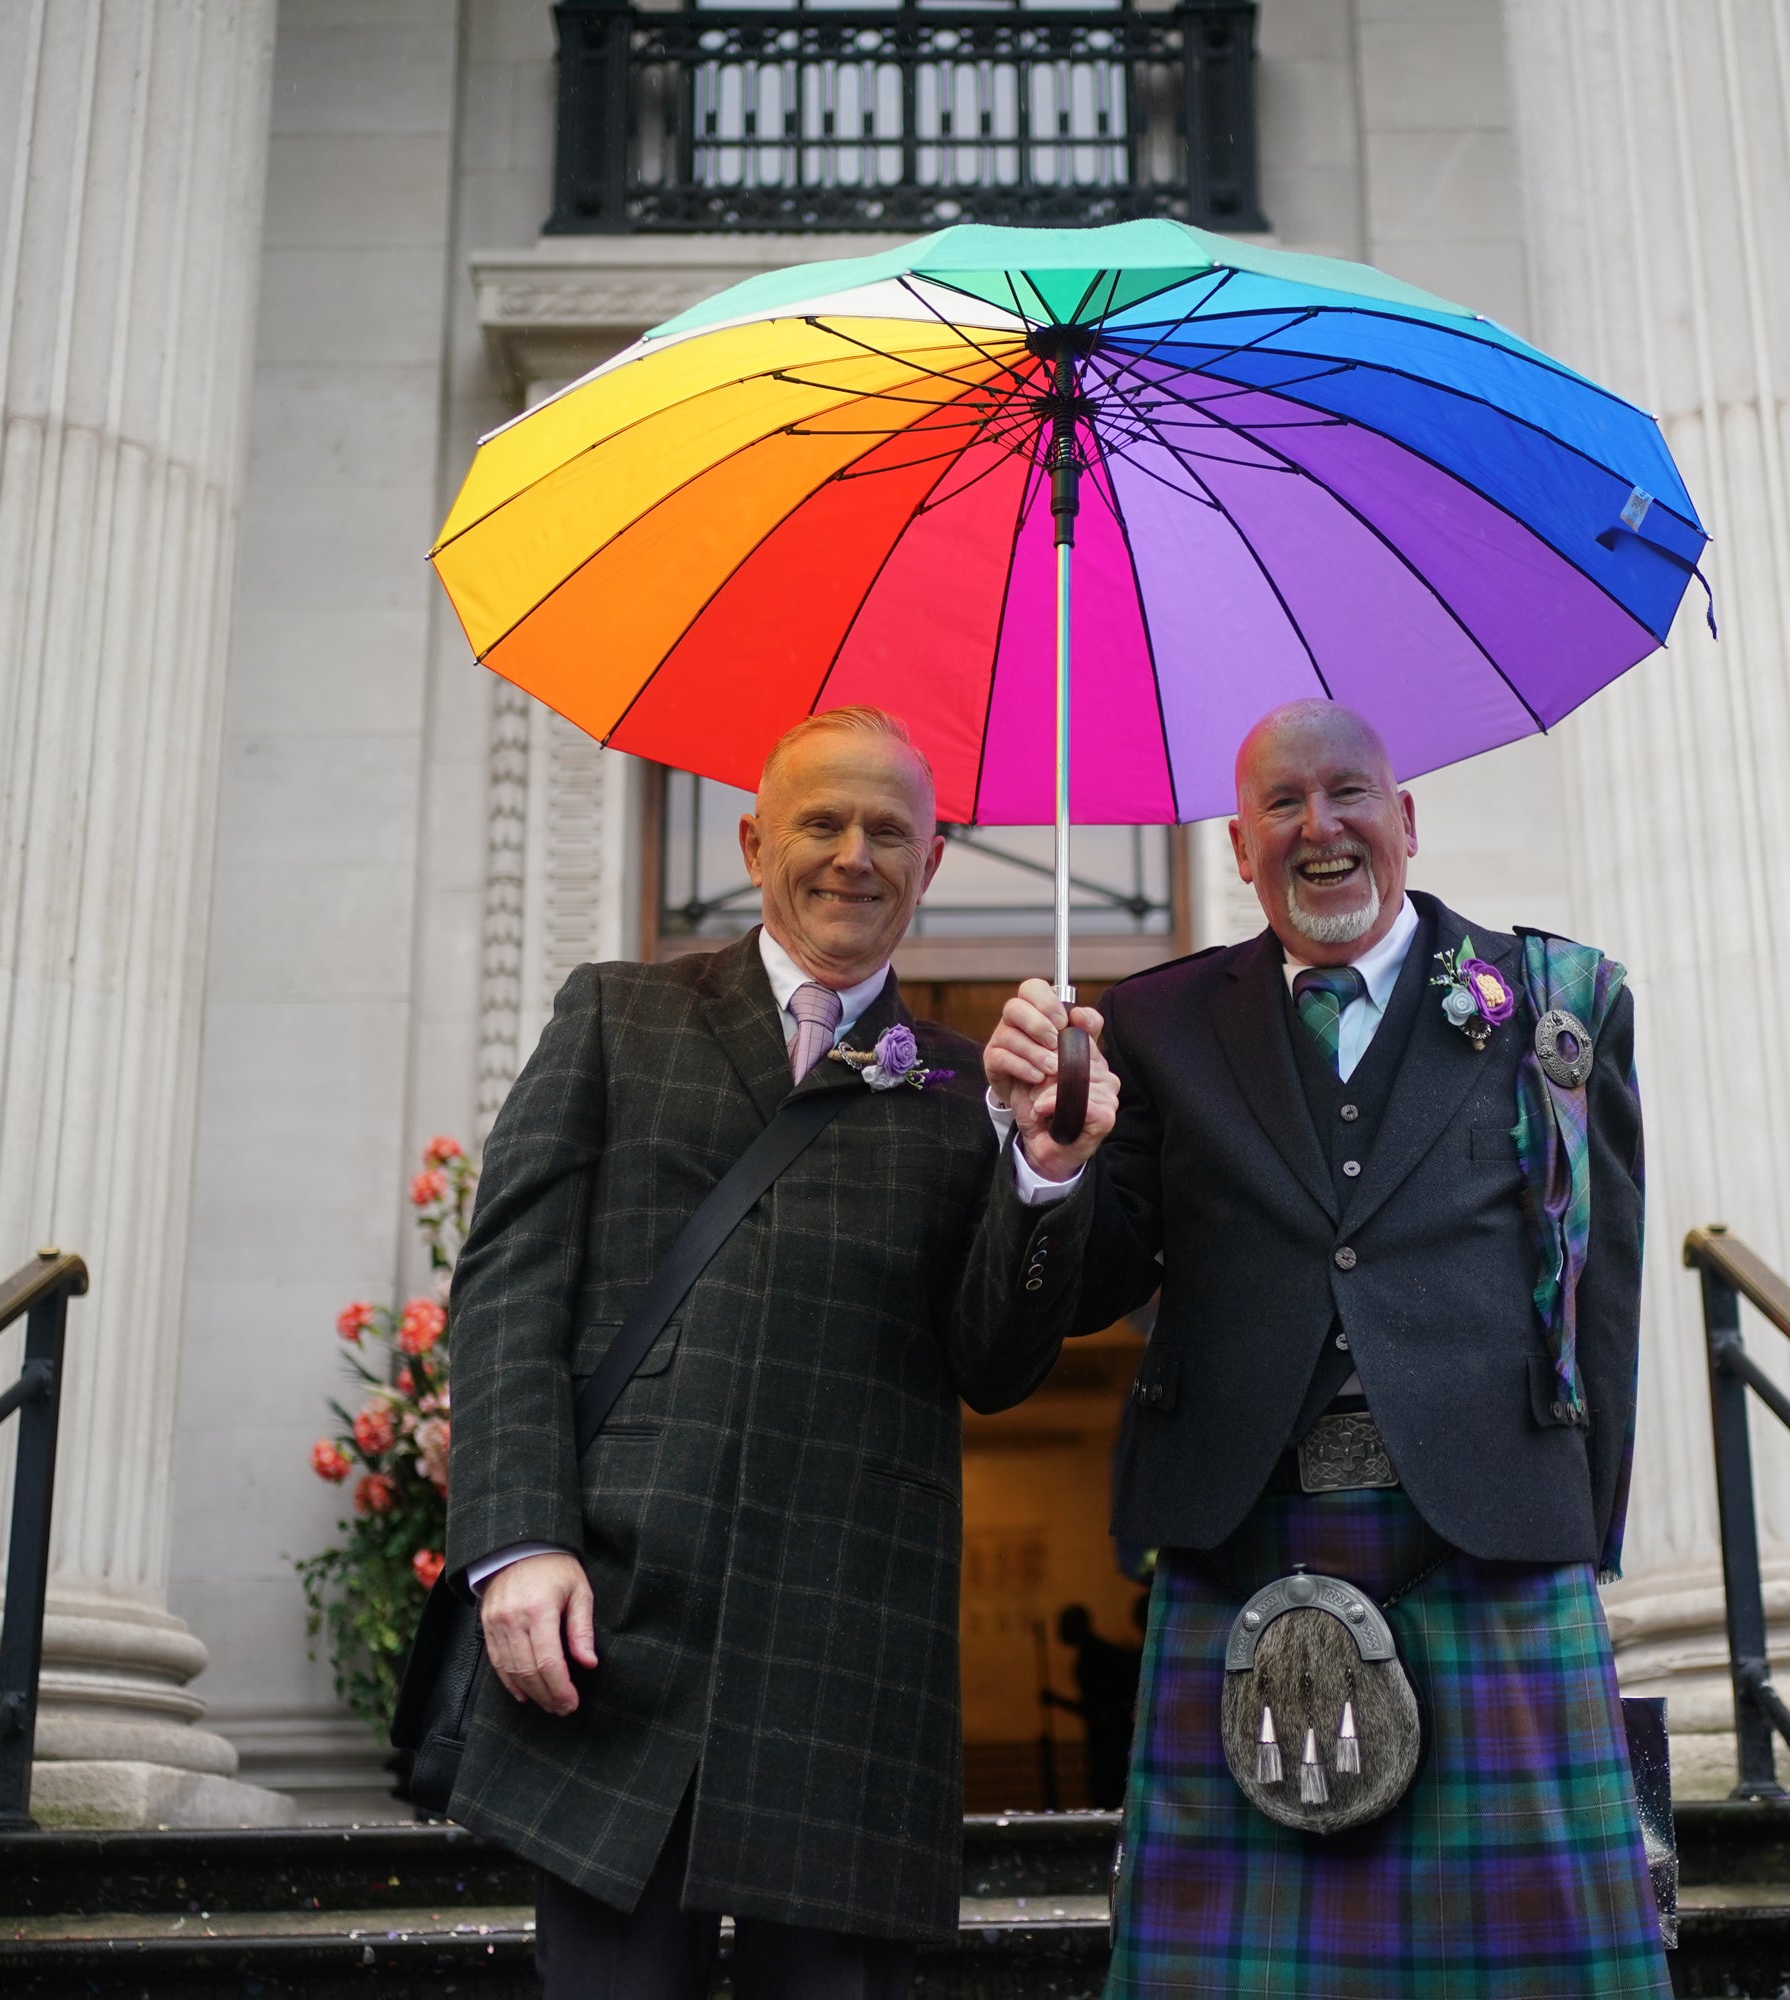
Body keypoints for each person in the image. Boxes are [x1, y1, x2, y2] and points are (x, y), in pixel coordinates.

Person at [978, 699, 1671, 1998]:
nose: (1319, 827)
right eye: (1280, 807)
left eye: (1346, 793)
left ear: (1403, 818)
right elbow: (1096, 1287)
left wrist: (1586, 1534)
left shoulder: (1553, 1006)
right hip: (1246, 1536)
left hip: (1494, 1547)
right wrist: (1051, 1163)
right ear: (1239, 851)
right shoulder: (1157, 1026)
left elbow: (1605, 1291)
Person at [445, 707, 1106, 2000]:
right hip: (613, 1628)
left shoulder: (966, 1093)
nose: (855, 854)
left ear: (934, 859)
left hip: (846, 1650)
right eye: (823, 821)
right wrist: (519, 1545)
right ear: (753, 841)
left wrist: (1042, 1170)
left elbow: (996, 1364)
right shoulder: (616, 1017)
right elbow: (509, 1293)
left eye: (891, 831)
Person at [1041, 1602, 1143, 1810]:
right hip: (1110, 1736)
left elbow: (1098, 1708)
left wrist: (1057, 1702)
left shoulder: (1092, 1657)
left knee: (1108, 1793)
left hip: (1110, 1739)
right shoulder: (1098, 1653)